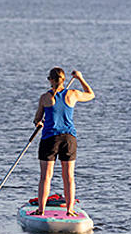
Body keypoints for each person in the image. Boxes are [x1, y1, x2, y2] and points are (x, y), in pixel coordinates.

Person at [32, 67, 94, 217]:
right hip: (68, 139)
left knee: (46, 177)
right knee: (69, 176)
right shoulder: (73, 94)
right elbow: (91, 94)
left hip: (49, 139)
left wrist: (39, 123)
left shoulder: (45, 98)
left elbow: (37, 120)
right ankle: (70, 210)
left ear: (51, 80)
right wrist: (80, 78)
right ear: (63, 80)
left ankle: (41, 210)